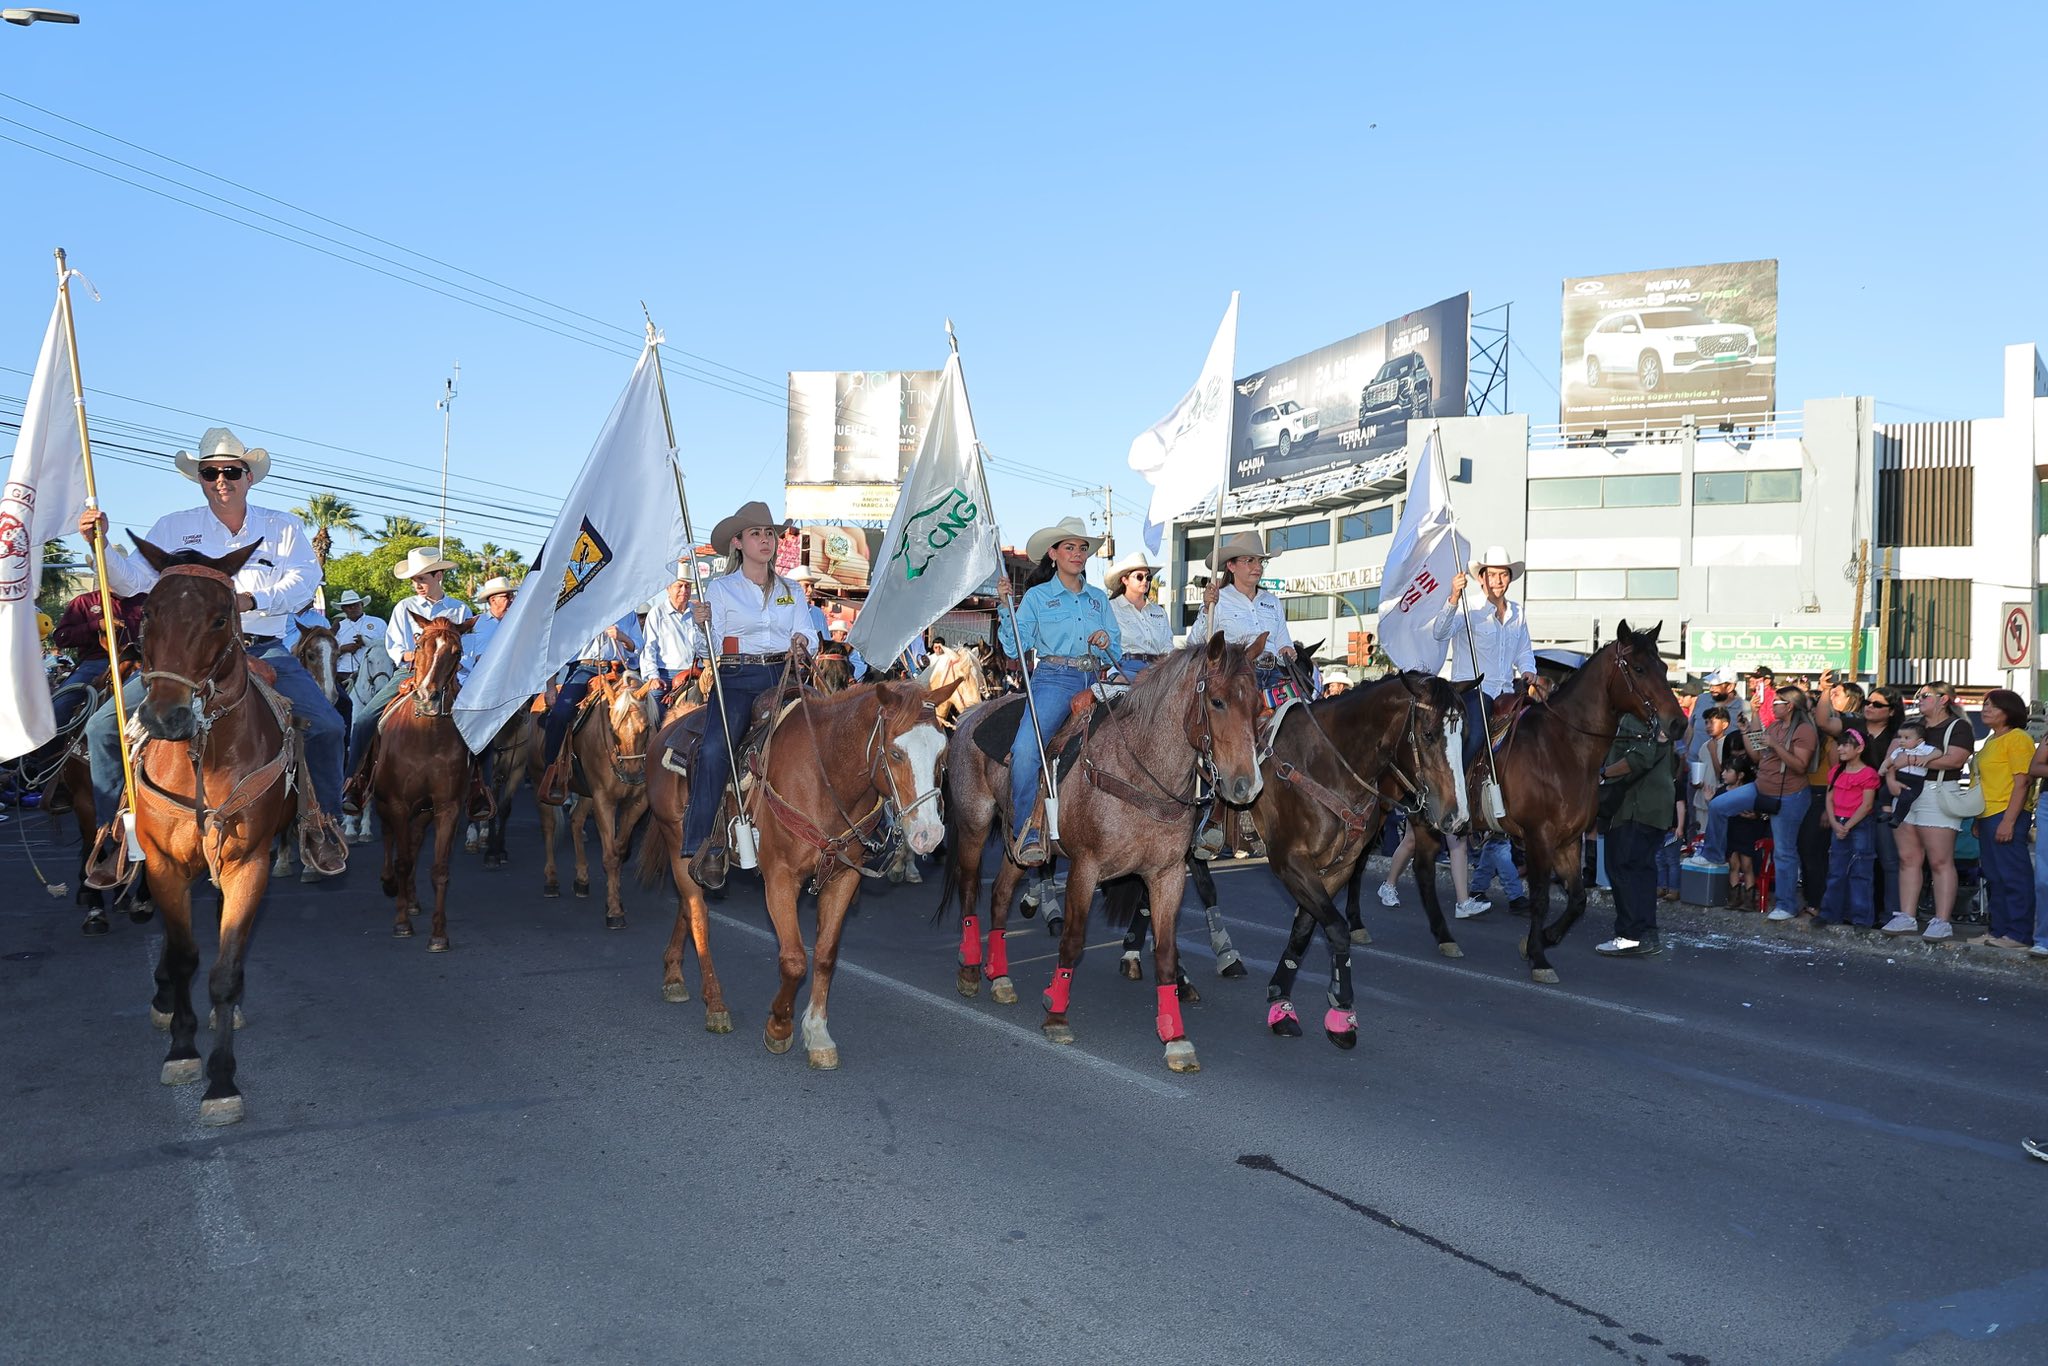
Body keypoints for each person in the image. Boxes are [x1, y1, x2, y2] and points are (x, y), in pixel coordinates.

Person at [77, 428, 348, 874]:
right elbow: (131, 582)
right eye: (210, 473)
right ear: (200, 479)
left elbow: (305, 580)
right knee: (102, 728)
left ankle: (323, 823)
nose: (221, 480)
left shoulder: (283, 527)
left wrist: (250, 600)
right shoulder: (172, 527)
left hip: (263, 647)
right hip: (187, 658)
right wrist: (100, 545)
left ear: (248, 476)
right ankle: (113, 834)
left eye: (231, 472)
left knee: (328, 727)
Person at [684, 502, 818, 889]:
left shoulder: (792, 590)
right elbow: (707, 648)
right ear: (738, 543)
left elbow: (809, 634)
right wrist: (702, 626)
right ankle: (705, 841)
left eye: (769, 533)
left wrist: (802, 640)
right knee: (714, 750)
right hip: (736, 677)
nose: (765, 539)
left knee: (826, 733)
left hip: (784, 675)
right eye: (756, 533)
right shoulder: (721, 589)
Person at [997, 517, 1118, 867]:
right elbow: (1014, 648)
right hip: (1053, 679)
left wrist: (1107, 641)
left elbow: (1117, 649)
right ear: (1053, 554)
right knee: (1025, 751)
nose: (1078, 554)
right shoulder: (1037, 597)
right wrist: (1006, 608)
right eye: (1069, 547)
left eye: (1082, 548)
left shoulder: (1098, 599)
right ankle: (1027, 830)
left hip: (1096, 680)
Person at [344, 547, 473, 807]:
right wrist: (411, 655)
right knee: (365, 720)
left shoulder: (460, 610)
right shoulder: (404, 607)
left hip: (450, 676)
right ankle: (354, 781)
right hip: (410, 673)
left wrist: (449, 664)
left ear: (438, 576)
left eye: (422, 579)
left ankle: (479, 787)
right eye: (414, 580)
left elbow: (468, 651)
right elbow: (394, 647)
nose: (417, 585)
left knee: (480, 722)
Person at [1687, 681, 1818, 921]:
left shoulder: (1804, 730)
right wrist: (1749, 728)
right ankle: (1713, 854)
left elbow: (1800, 766)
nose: (1773, 705)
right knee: (1718, 805)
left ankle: (1787, 905)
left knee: (1784, 851)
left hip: (1789, 794)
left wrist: (1775, 745)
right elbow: (1757, 755)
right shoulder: (1775, 726)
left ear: (1789, 706)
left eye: (1777, 702)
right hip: (1761, 786)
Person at [1429, 544, 1539, 769]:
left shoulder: (1517, 612)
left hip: (1507, 694)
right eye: (1492, 574)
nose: (1498, 580)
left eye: (1503, 574)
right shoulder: (1467, 607)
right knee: (1477, 734)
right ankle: (1456, 780)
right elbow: (1439, 633)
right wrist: (1454, 597)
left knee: (1537, 728)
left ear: (1510, 578)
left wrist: (1528, 670)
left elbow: (1524, 651)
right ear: (1481, 578)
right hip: (1471, 693)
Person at [1885, 681, 1975, 940]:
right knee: (1908, 858)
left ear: (1943, 699)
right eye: (1919, 695)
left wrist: (1912, 760)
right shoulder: (1913, 723)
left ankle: (1942, 920)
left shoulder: (1958, 726)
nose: (1919, 699)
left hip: (1937, 791)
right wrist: (1890, 779)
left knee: (1939, 860)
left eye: (1925, 695)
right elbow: (1893, 755)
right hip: (1905, 791)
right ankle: (1906, 916)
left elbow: (1955, 759)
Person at [535, 609, 643, 805]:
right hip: (585, 668)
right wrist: (550, 687)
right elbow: (554, 653)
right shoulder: (580, 605)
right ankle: (553, 772)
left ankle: (646, 769)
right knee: (560, 714)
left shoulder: (628, 609)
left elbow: (638, 647)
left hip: (620, 670)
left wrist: (622, 637)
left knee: (644, 711)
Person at [1595, 709, 1677, 956]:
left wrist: (1602, 773)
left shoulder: (1637, 717)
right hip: (1654, 806)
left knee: (1623, 868)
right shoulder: (1657, 717)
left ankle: (1630, 935)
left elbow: (1638, 759)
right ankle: (1646, 934)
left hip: (1636, 806)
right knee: (1642, 870)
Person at [1969, 689, 2036, 949]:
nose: (1986, 709)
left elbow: (2023, 782)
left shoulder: (2018, 738)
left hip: (2007, 813)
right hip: (1987, 814)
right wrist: (1978, 818)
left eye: (1993, 706)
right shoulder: (1991, 740)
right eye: (1985, 704)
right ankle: (1997, 931)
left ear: (2009, 711)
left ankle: (2019, 934)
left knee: (2013, 876)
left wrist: (2009, 820)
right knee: (1994, 876)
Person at [1189, 531, 1294, 691]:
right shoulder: (1217, 599)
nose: (1258, 567)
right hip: (1236, 676)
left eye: (1261, 561)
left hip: (1275, 674)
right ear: (1231, 566)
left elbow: (1284, 643)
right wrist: (1206, 609)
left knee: (1301, 704)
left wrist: (1288, 651)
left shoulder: (1273, 601)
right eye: (1249, 560)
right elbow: (1194, 643)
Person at [48, 586, 143, 728]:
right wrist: (96, 625)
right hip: (96, 663)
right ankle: (53, 741)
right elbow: (61, 638)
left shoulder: (145, 600)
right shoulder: (84, 601)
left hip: (140, 663)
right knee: (59, 706)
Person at [1818, 731, 1881, 927]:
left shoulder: (1868, 773)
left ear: (1859, 748)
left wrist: (1846, 826)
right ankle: (1830, 914)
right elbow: (1829, 798)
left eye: (1845, 745)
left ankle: (1861, 919)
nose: (1840, 749)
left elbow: (1867, 805)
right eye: (1840, 745)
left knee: (1860, 871)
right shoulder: (1836, 771)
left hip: (1859, 823)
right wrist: (1834, 822)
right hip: (1839, 822)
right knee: (1836, 870)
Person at [640, 569, 704, 708]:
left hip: (697, 671)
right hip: (667, 673)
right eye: (679, 586)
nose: (684, 590)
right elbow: (649, 648)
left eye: (687, 586)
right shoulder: (657, 612)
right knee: (654, 700)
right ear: (668, 588)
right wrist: (653, 677)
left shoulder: (696, 611)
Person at [1105, 549, 1171, 676]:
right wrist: (1114, 673)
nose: (1145, 581)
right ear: (1125, 580)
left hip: (1157, 669)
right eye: (1139, 577)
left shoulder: (1160, 612)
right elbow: (1107, 647)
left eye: (1148, 577)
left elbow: (1167, 646)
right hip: (1125, 667)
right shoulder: (1111, 608)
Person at [1881, 720, 1935, 827]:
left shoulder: (1925, 749)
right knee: (1884, 791)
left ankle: (1897, 818)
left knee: (1906, 798)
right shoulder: (1899, 750)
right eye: (1900, 737)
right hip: (1900, 776)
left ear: (1919, 741)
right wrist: (1883, 767)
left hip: (1915, 780)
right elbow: (1890, 760)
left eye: (1906, 738)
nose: (1901, 740)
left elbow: (1938, 752)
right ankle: (1887, 812)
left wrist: (1927, 758)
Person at [463, 575, 517, 681]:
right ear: (493, 600)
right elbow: (464, 659)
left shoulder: (517, 622)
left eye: (513, 596)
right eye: (507, 596)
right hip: (479, 684)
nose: (512, 600)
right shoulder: (474, 624)